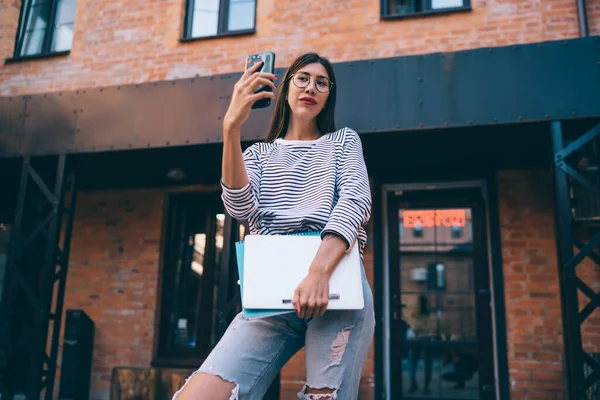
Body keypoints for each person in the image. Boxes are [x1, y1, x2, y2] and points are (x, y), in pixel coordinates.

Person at [172, 52, 375, 400]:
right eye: (303, 78)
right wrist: (230, 128)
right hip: (270, 292)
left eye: (322, 82)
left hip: (333, 283)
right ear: (285, 88)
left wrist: (317, 274)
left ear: (328, 96)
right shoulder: (259, 154)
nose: (312, 86)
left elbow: (355, 202)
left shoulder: (342, 142)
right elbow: (239, 207)